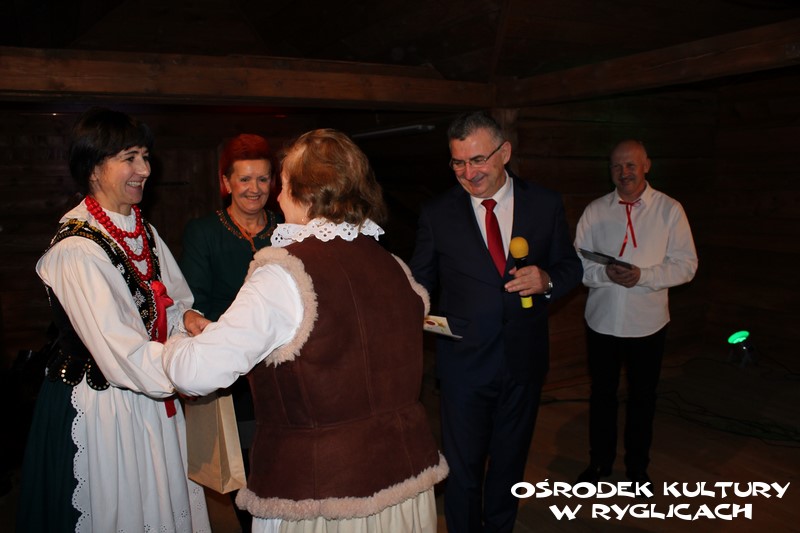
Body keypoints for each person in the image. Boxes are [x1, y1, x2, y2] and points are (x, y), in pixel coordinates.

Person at [163, 128, 449, 532]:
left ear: (305, 194)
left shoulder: (283, 273)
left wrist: (175, 335)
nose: (277, 197)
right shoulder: (395, 267)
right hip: (404, 481)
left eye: (281, 185)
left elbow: (195, 373)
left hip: (322, 495)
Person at [16, 107, 211, 532]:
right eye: (129, 158)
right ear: (93, 168)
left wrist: (188, 320)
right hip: (103, 407)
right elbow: (122, 352)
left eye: (145, 156)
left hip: (150, 394)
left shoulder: (143, 231)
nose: (145, 169)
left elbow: (171, 302)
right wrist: (196, 367)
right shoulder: (76, 250)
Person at [409, 111, 583, 532]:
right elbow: (419, 285)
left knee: (510, 463)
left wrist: (546, 280)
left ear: (504, 152)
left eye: (478, 160)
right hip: (464, 366)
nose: (469, 173)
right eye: (458, 162)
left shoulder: (544, 203)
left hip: (524, 361)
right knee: (463, 470)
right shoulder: (436, 213)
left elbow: (570, 266)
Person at [573, 139, 698, 490]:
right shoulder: (595, 210)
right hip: (602, 322)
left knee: (643, 398)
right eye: (616, 166)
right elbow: (577, 264)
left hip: (648, 324)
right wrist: (604, 274)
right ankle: (599, 462)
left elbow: (687, 265)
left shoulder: (670, 210)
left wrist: (643, 276)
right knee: (602, 395)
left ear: (647, 166)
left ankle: (637, 468)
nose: (624, 172)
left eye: (631, 165)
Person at [179, 133, 282, 532]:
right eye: (244, 179)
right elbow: (197, 302)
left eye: (263, 178)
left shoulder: (287, 228)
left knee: (283, 463)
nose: (255, 189)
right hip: (236, 373)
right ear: (226, 182)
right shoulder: (204, 232)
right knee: (247, 471)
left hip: (284, 366)